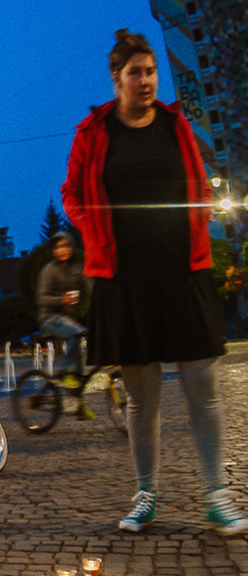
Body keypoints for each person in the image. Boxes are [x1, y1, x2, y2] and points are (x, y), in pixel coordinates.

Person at [62, 29, 239, 533]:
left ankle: (216, 494)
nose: (146, 81)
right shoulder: (93, 133)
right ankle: (146, 493)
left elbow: (200, 181)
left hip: (184, 272)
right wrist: (93, 230)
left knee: (202, 387)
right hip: (124, 279)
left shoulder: (174, 124)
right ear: (116, 78)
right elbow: (71, 192)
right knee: (142, 396)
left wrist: (201, 212)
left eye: (151, 71)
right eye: (135, 72)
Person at [35, 230, 90, 407]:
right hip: (49, 318)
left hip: (67, 319)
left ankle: (76, 403)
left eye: (65, 246)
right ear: (53, 251)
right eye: (58, 247)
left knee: (80, 362)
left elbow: (90, 285)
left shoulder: (76, 269)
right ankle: (63, 369)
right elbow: (41, 298)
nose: (62, 250)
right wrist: (62, 300)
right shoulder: (49, 270)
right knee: (77, 333)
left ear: (72, 247)